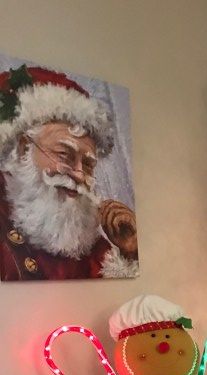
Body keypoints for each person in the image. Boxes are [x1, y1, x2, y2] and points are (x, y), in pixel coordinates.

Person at [0, 65, 138, 280]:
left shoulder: (81, 231)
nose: (80, 175)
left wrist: (130, 250)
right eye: (65, 155)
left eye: (89, 164)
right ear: (23, 148)